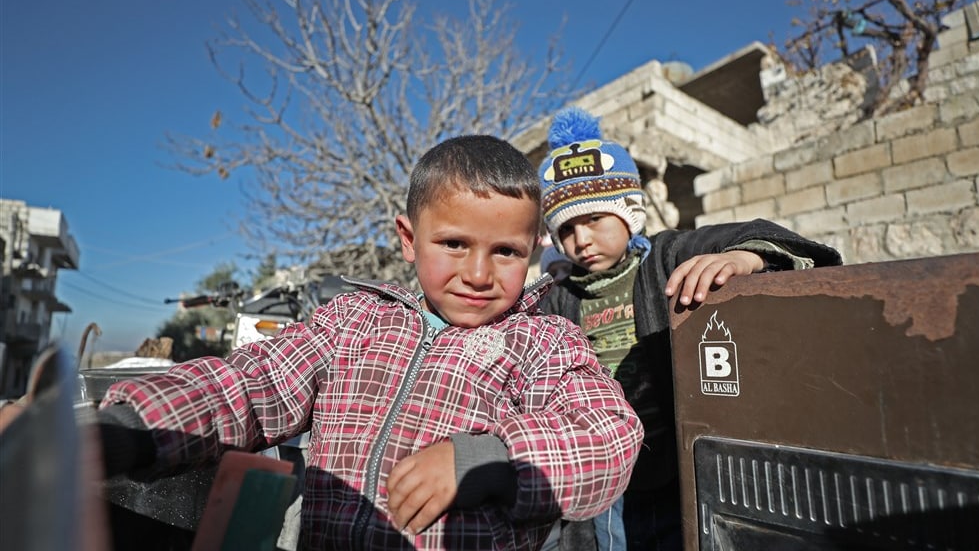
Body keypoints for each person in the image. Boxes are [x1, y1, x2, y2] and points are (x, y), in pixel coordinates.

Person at [95, 134, 645, 551]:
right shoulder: (353, 322)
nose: (479, 273)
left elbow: (609, 437)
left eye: (506, 252)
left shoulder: (543, 342)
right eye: (453, 243)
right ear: (409, 239)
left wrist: (490, 459)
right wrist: (124, 431)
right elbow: (252, 384)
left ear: (532, 250)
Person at [536, 107, 843, 550]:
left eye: (594, 220)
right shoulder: (559, 298)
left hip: (680, 471)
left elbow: (771, 239)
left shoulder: (665, 257)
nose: (581, 240)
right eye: (566, 229)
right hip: (607, 480)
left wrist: (744, 258)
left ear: (629, 214)